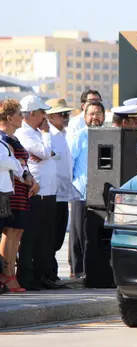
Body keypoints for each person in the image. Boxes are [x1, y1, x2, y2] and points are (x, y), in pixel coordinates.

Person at [14, 95, 61, 290]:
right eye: (43, 112)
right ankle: (27, 277)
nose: (45, 117)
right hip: (35, 194)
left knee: (45, 238)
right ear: (32, 114)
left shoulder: (36, 133)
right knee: (31, 238)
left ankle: (42, 275)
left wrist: (45, 148)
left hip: (48, 194)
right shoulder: (24, 133)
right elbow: (44, 152)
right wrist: (46, 134)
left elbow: (50, 153)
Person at [67, 100, 105, 280]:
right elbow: (69, 164)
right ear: (85, 116)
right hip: (80, 193)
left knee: (96, 236)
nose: (95, 117)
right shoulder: (79, 136)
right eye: (91, 114)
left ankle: (96, 272)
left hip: (102, 196)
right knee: (79, 236)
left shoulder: (109, 136)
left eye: (98, 113)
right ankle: (79, 271)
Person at [44, 98, 78, 282]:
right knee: (50, 237)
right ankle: (47, 273)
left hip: (63, 194)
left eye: (67, 114)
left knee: (57, 236)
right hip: (51, 193)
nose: (66, 117)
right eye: (63, 114)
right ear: (52, 116)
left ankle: (51, 273)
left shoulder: (63, 135)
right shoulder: (47, 135)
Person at [0, 99, 30, 292]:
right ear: (10, 118)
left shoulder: (13, 139)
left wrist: (19, 165)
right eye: (20, 114)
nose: (23, 117)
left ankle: (9, 272)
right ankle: (7, 273)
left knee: (16, 233)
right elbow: (9, 162)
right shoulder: (3, 139)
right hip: (10, 191)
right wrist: (16, 162)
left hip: (18, 188)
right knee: (9, 233)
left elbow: (20, 164)